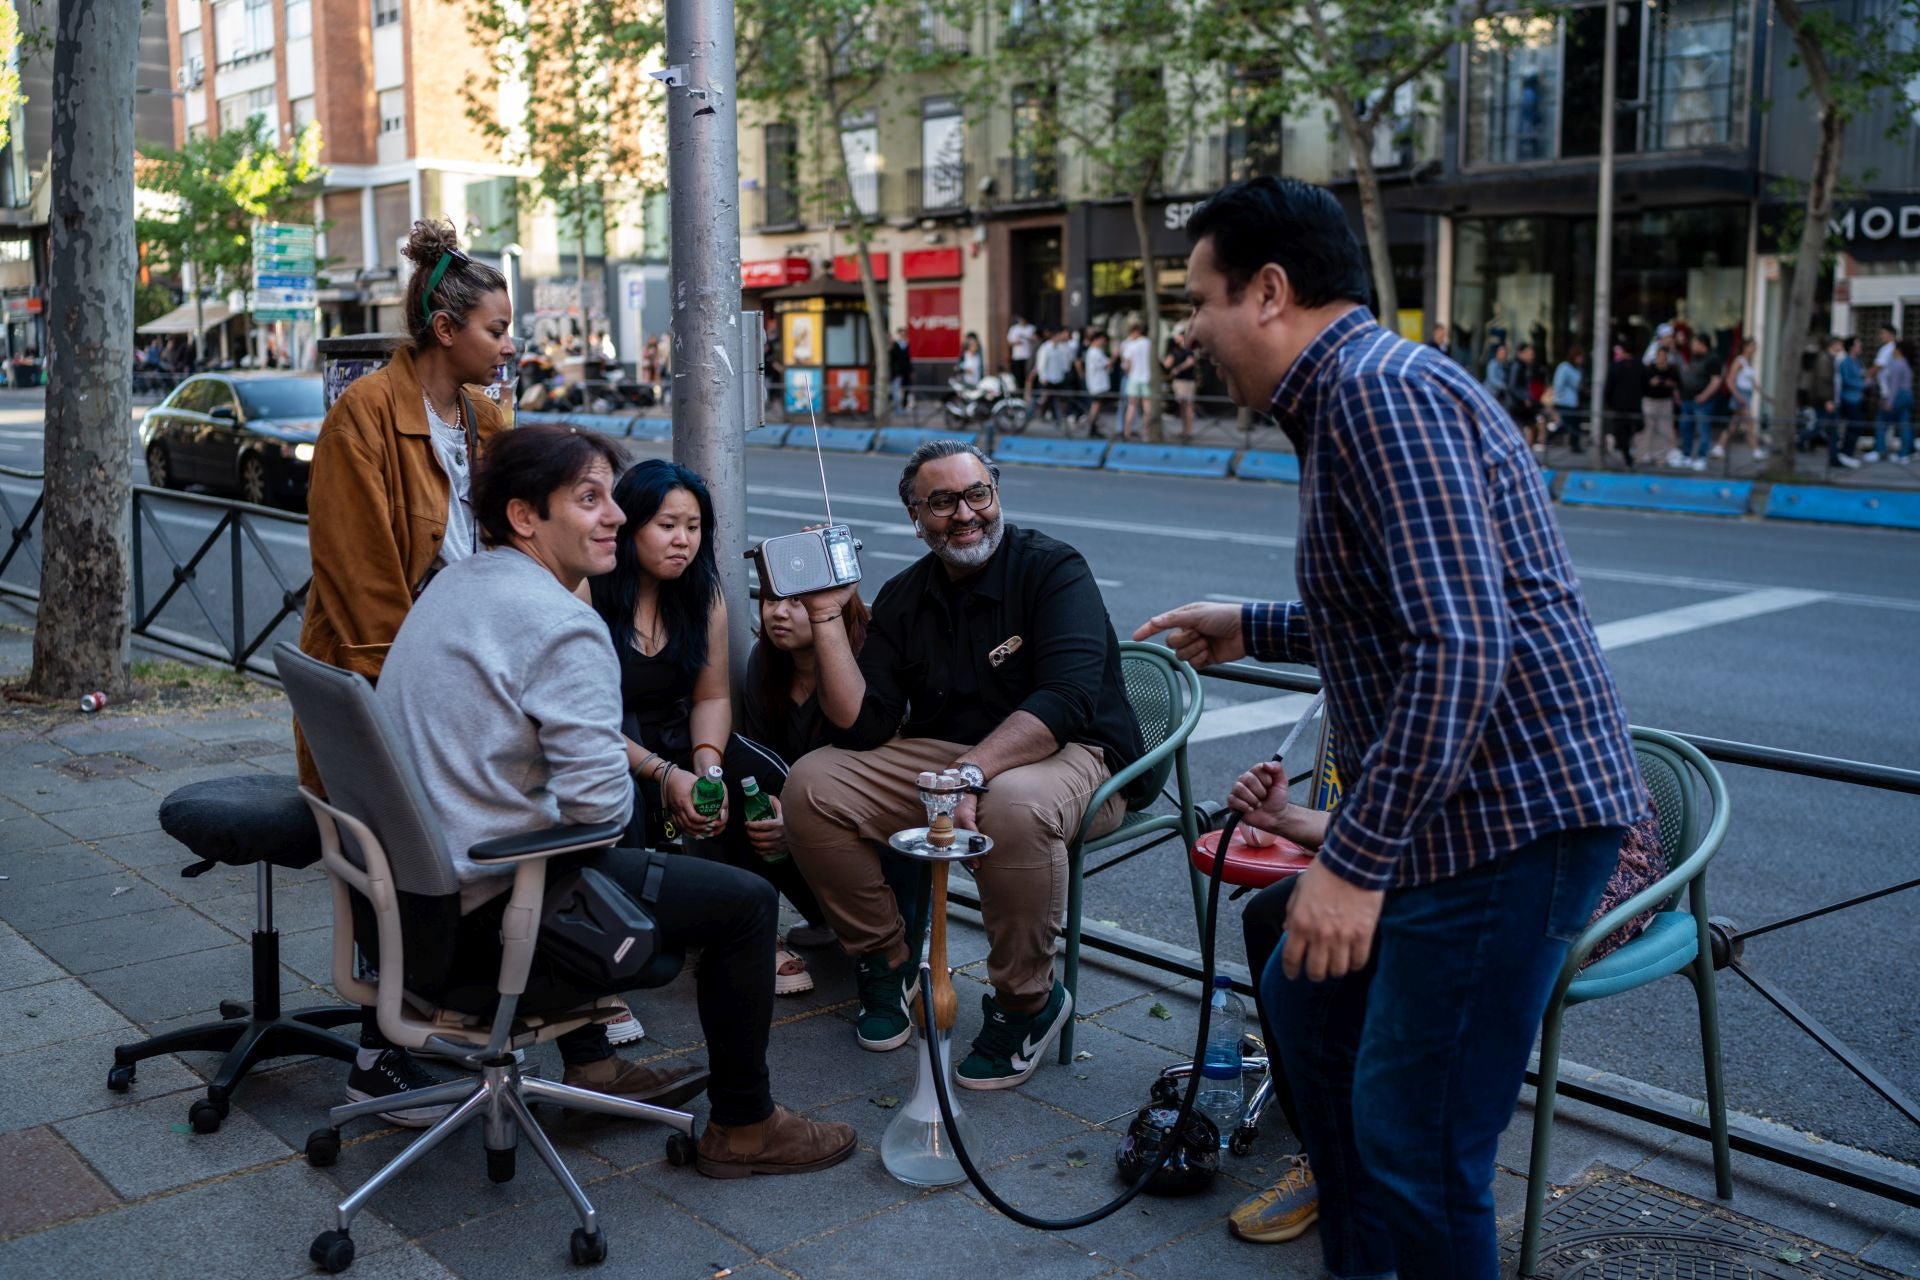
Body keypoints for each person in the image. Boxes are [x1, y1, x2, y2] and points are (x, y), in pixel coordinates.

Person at [1138, 176, 1644, 1278]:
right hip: (1461, 813)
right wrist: (1254, 624)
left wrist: (1353, 864)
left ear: (1269, 292)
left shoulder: (1376, 397)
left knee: (1421, 1143)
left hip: (1511, 823)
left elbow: (1460, 645)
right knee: (1307, 1012)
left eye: (1202, 297)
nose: (1193, 328)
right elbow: (1410, 606)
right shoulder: (1361, 393)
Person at [374, 423, 857, 1177]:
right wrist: (662, 784)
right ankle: (746, 1126)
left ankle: (594, 1069)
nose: (616, 517)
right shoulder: (564, 621)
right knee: (743, 907)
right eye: (590, 499)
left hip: (412, 905)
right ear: (523, 516)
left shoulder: (454, 583)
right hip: (492, 917)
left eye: (613, 499)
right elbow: (598, 816)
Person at [294, 218, 646, 1125]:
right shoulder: (364, 415)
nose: (510, 343)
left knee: (550, 802)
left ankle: (575, 1029)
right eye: (496, 328)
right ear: (446, 329)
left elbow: (518, 539)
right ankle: (387, 1050)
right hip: (390, 681)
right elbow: (358, 578)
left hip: (473, 661)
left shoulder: (491, 419)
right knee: (410, 870)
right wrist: (425, 688)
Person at [781, 440, 1146, 1088]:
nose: (965, 514)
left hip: (1075, 754)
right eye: (943, 502)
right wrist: (828, 613)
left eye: (977, 494)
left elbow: (1065, 700)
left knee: (1012, 806)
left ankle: (1027, 1002)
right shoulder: (905, 594)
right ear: (915, 519)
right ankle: (888, 961)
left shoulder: (1052, 568)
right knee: (812, 784)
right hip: (958, 761)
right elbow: (862, 724)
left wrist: (971, 776)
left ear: (996, 495)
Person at [589, 459, 827, 995]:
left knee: (758, 777)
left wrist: (707, 766)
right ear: (630, 524)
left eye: (694, 527)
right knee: (614, 804)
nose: (683, 541)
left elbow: (713, 694)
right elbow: (580, 722)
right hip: (606, 736)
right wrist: (663, 776)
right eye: (667, 525)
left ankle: (756, 931)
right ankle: (606, 970)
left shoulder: (704, 594)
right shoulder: (590, 592)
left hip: (679, 730)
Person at [1677, 333, 1724, 471]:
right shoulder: (1694, 358)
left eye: (1694, 343)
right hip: (1688, 399)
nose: (1692, 346)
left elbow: (1716, 381)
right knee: (1685, 427)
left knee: (1703, 429)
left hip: (1703, 401)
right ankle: (1686, 455)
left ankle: (1702, 457)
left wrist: (1704, 395)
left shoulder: (1713, 359)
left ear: (1702, 344)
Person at [1718, 337, 1766, 462]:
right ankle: (1756, 451)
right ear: (1746, 347)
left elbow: (1754, 384)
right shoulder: (1739, 361)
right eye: (1752, 346)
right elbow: (1729, 380)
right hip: (1741, 396)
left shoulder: (1749, 363)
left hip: (1746, 395)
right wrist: (1738, 396)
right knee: (1750, 424)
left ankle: (1719, 447)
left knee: (1733, 425)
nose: (1754, 349)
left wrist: (1766, 396)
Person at [1868, 338, 1914, 464]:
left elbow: (1894, 385)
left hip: (1898, 396)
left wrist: (1889, 402)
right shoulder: (1905, 363)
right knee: (1904, 424)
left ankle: (1879, 450)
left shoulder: (1897, 364)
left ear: (1898, 350)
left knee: (1881, 421)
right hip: (1906, 395)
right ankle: (1904, 453)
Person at [1829, 334, 1870, 469]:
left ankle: (1848, 453)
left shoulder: (1857, 361)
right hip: (1849, 399)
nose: (1860, 347)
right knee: (1853, 426)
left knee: (1856, 426)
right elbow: (1847, 380)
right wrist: (1863, 384)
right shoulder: (1845, 362)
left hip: (1857, 398)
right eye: (1858, 345)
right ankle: (1845, 453)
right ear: (1851, 347)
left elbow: (1861, 375)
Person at [1603, 342, 1643, 468]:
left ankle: (1627, 453)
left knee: (1623, 431)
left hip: (1620, 406)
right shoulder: (1640, 366)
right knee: (1628, 431)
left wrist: (1609, 402)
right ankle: (1628, 454)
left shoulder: (1616, 367)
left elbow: (1608, 388)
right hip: (1634, 405)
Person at [1641, 345, 1681, 467]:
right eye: (1659, 356)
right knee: (1647, 428)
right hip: (1650, 401)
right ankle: (1644, 454)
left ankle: (1660, 456)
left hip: (1665, 401)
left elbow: (1677, 384)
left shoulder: (1672, 370)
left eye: (1664, 356)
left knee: (1663, 429)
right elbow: (1643, 384)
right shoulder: (1649, 369)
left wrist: (1669, 385)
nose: (1661, 359)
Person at [1164, 325, 1199, 442]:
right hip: (1178, 381)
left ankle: (1189, 431)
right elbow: (1167, 364)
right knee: (1182, 406)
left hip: (1187, 381)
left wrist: (1178, 369)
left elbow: (1190, 361)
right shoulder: (1175, 350)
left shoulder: (1188, 349)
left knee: (1188, 406)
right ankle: (1184, 430)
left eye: (1177, 335)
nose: (1175, 337)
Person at [1119, 322, 1153, 441]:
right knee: (1147, 407)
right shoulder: (1148, 343)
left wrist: (1127, 372)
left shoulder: (1131, 345)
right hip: (1146, 378)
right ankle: (1146, 433)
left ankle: (1127, 432)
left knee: (1131, 406)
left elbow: (1127, 364)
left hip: (1133, 378)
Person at [1551, 344, 1587, 453]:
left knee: (1575, 424)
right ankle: (1548, 438)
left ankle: (1575, 445)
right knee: (1565, 425)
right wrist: (1558, 398)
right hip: (1564, 402)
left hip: (1574, 402)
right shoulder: (1564, 367)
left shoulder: (1578, 369)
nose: (1581, 360)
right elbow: (1558, 384)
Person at [1077, 330, 1113, 438]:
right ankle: (1090, 426)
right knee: (1095, 405)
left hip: (1098, 384)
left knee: (1097, 405)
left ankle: (1093, 427)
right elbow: (1107, 364)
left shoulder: (1096, 351)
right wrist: (1115, 356)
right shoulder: (1094, 352)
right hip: (1096, 384)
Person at [1006, 314, 1037, 390]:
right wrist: (1016, 342)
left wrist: (1028, 338)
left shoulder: (1031, 328)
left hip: (1028, 356)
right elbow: (1009, 342)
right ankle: (1019, 390)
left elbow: (1036, 339)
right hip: (1017, 356)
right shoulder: (1014, 329)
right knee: (1018, 376)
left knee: (1028, 376)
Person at [888, 328, 912, 415]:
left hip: (905, 371)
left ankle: (903, 406)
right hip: (896, 372)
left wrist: (911, 370)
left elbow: (908, 359)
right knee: (895, 390)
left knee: (905, 389)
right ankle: (895, 407)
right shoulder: (895, 346)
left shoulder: (906, 344)